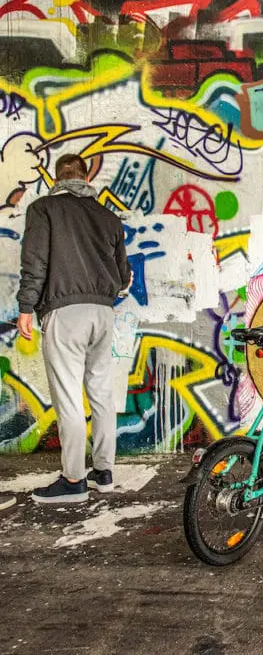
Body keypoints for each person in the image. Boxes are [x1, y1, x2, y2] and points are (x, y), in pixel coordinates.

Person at [16, 154, 131, 504]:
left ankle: (73, 480)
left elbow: (35, 261)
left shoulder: (44, 209)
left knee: (69, 397)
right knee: (102, 394)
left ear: (57, 178)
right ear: (85, 178)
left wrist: (26, 308)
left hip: (65, 313)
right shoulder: (108, 217)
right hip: (103, 313)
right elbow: (123, 275)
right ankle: (104, 472)